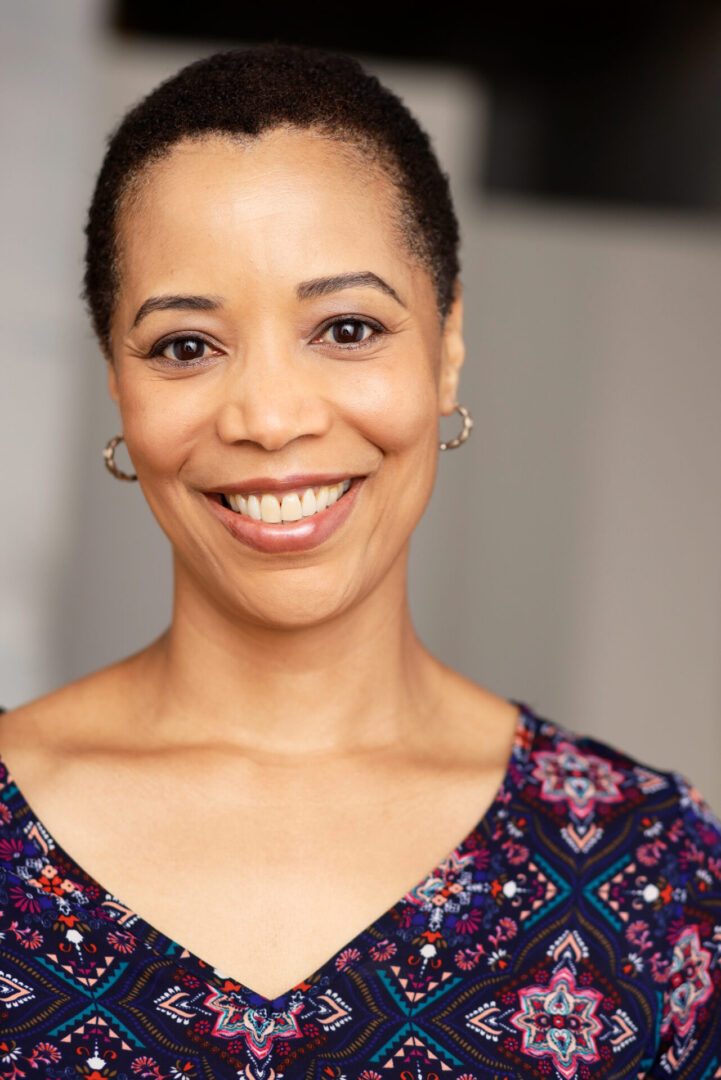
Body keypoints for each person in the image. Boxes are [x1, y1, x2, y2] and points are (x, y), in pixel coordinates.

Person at [0, 44, 718, 1080]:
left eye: (346, 327)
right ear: (119, 378)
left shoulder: (649, 872)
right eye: (186, 346)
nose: (270, 419)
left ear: (447, 342)